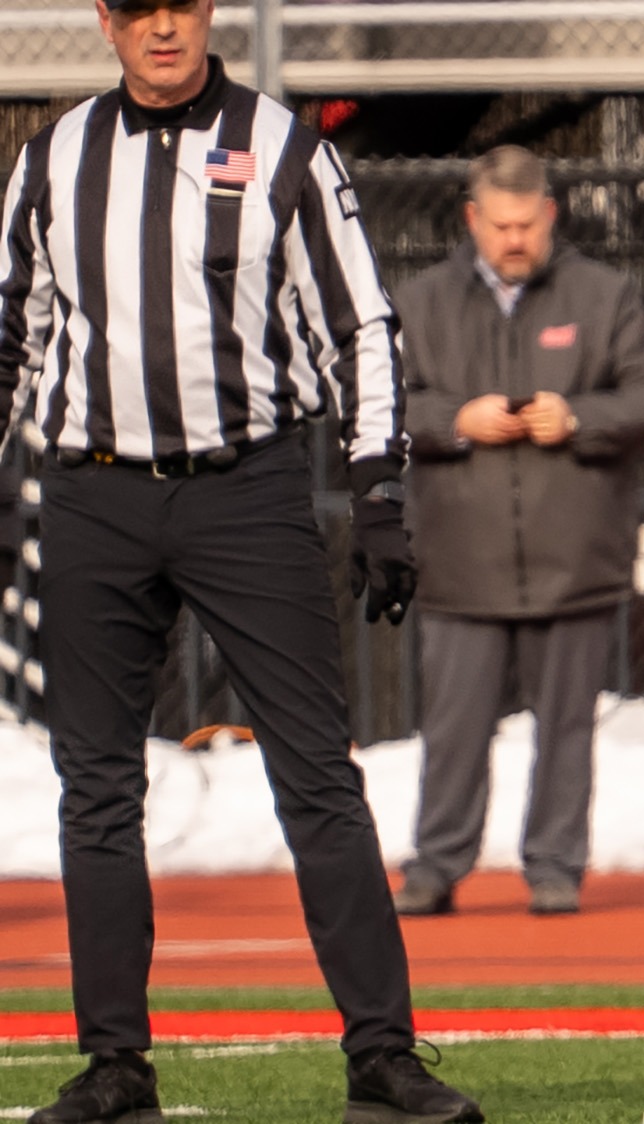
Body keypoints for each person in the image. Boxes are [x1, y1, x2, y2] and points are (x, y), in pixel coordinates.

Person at [0, 0, 481, 1120]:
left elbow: (361, 323)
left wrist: (378, 491)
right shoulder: (54, 156)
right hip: (94, 490)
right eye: (137, 9)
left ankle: (382, 1055)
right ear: (105, 22)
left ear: (207, 12)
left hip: (245, 488)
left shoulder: (286, 147)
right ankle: (114, 1061)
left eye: (179, 5)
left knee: (316, 771)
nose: (161, 29)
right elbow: (8, 325)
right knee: (97, 790)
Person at [390, 145, 644, 918]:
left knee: (567, 731)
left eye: (527, 223)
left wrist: (579, 417)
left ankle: (555, 868)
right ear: (472, 220)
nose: (514, 239)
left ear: (549, 216)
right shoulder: (420, 302)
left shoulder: (604, 294)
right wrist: (454, 420)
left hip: (574, 555)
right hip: (460, 558)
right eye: (500, 225)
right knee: (453, 730)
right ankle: (436, 865)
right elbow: (374, 405)